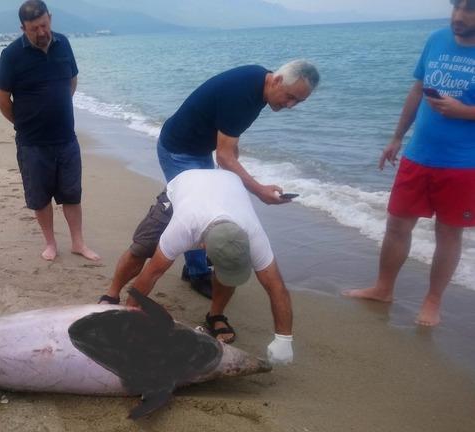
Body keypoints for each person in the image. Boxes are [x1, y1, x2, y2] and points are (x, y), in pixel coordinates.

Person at [344, 0, 475, 326]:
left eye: (470, 9)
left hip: (463, 163)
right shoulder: (436, 39)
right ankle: (383, 288)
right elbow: (417, 90)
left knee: (448, 234)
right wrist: (397, 137)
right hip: (418, 155)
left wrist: (466, 112)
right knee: (397, 225)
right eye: (456, 6)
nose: (459, 16)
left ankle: (433, 301)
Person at [152, 60, 319, 299]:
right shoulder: (244, 95)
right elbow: (224, 156)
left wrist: (232, 179)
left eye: (298, 102)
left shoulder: (259, 83)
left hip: (199, 148)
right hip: (178, 149)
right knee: (197, 211)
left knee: (212, 203)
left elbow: (230, 138)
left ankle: (194, 266)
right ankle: (197, 273)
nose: (290, 105)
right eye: (290, 97)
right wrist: (259, 190)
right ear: (278, 80)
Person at [119, 169, 294, 364]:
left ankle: (215, 315)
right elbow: (152, 273)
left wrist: (284, 338)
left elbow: (277, 287)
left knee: (228, 261)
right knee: (142, 248)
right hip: (185, 182)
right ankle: (111, 294)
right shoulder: (183, 227)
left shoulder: (253, 235)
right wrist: (130, 315)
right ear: (202, 246)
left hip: (227, 183)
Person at [0, 0, 99, 262]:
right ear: (22, 28)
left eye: (44, 25)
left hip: (66, 137)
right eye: (33, 29)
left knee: (72, 194)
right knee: (40, 197)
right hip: (32, 143)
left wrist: (59, 106)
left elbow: (72, 80)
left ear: (50, 18)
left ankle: (78, 243)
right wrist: (23, 122)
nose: (41, 32)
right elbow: (1, 99)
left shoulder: (64, 43)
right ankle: (50, 243)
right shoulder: (11, 56)